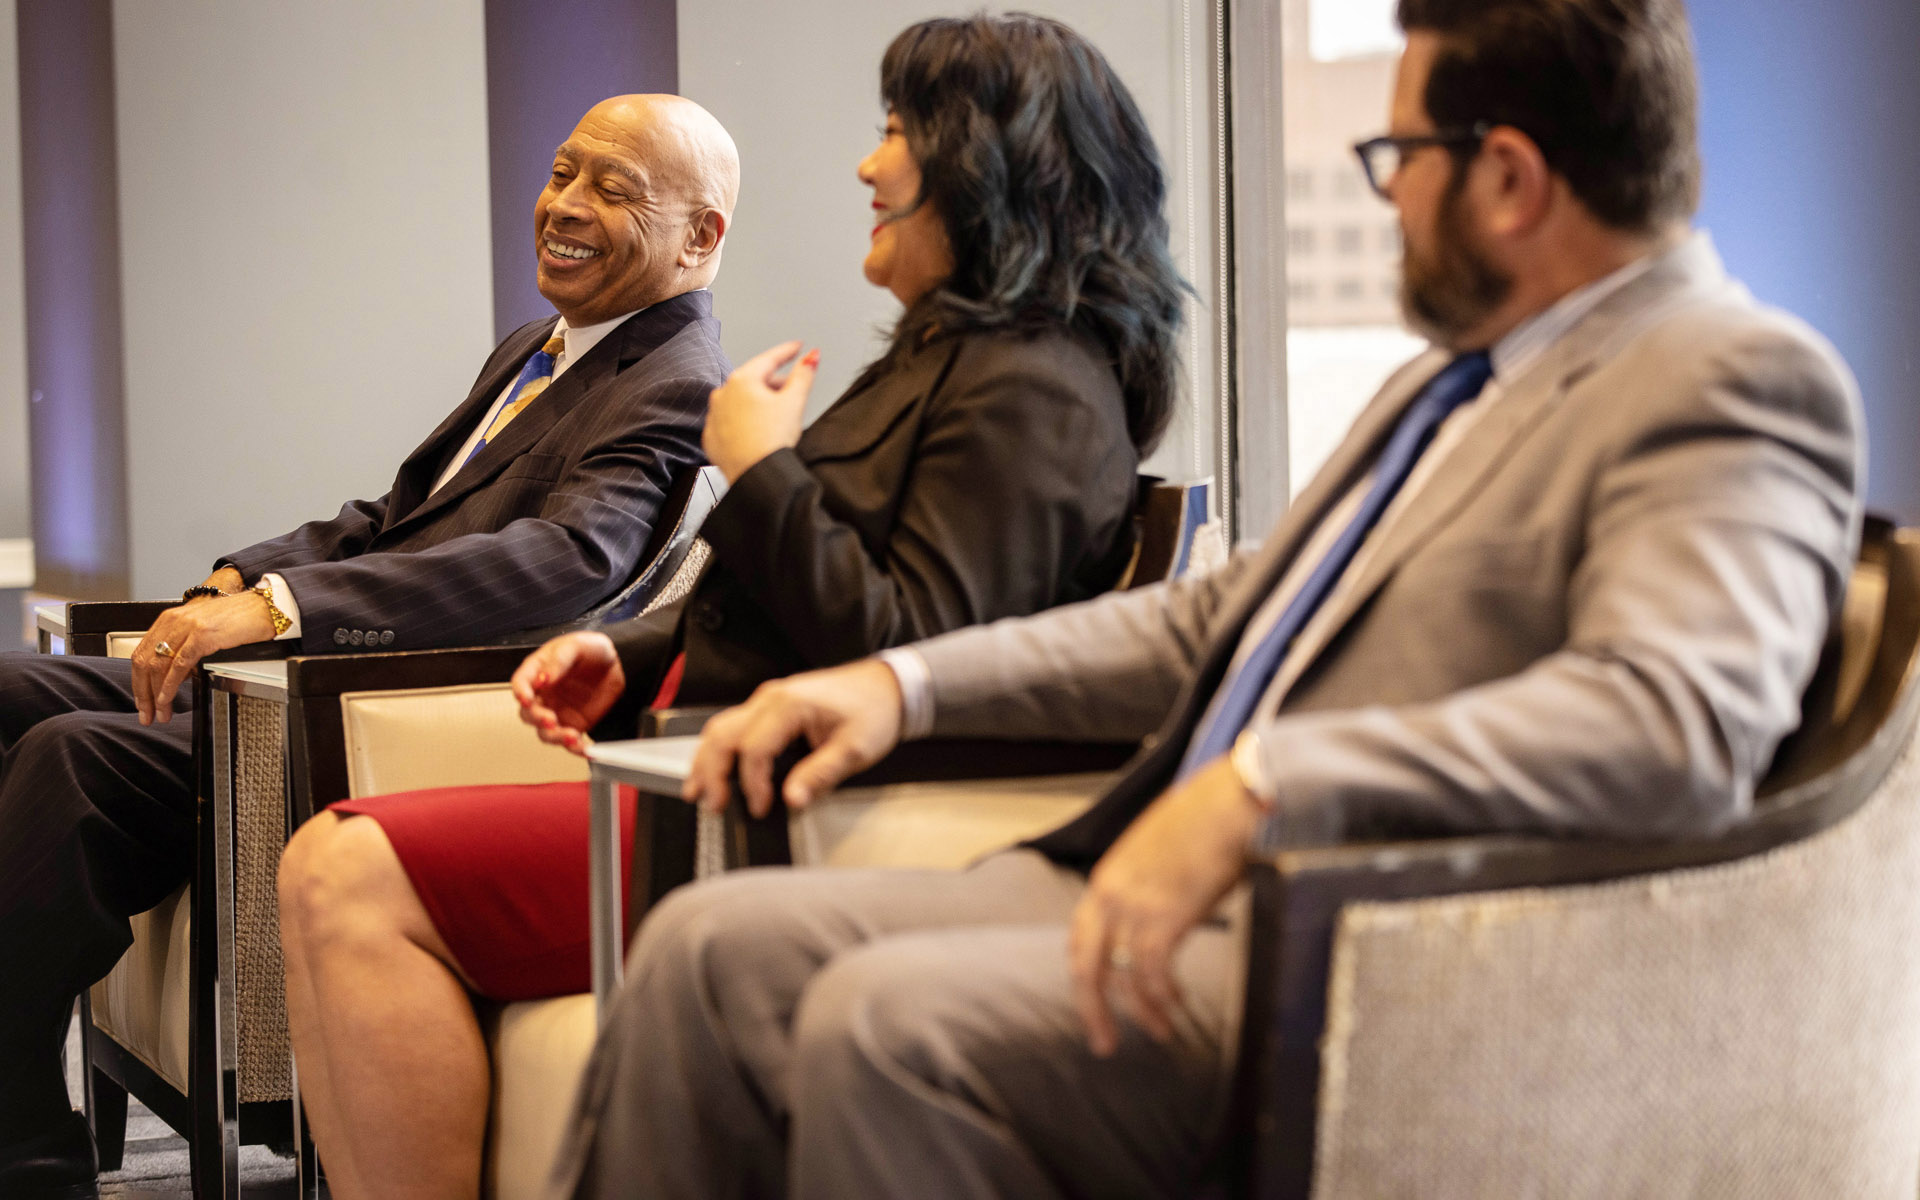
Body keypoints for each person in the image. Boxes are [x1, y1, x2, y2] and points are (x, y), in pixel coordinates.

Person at [548, 2, 1868, 1197]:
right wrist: (904, 684)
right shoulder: (1448, 383)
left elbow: (1672, 720)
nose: (1392, 200)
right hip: (1173, 876)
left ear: (1510, 179)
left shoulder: (1730, 376)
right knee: (704, 953)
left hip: (1369, 945)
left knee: (885, 1028)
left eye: (1400, 158)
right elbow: (1219, 616)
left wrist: (1264, 787)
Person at [272, 15, 1187, 1200]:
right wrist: (629, 650)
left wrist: (760, 468)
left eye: (898, 133)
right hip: (710, 773)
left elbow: (907, 654)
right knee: (328, 858)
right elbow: (795, 601)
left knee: (346, 869)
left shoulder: (1040, 388)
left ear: (982, 167)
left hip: (796, 820)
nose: (867, 165)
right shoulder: (951, 356)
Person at [0, 93, 738, 1199]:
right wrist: (242, 579)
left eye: (614, 189)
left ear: (700, 235)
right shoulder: (538, 349)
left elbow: (565, 560)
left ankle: (20, 1139)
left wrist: (281, 611)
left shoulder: (677, 385)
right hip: (295, 676)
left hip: (365, 715)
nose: (565, 205)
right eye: (563, 171)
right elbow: (392, 517)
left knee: (70, 756)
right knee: (12, 686)